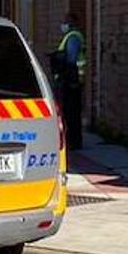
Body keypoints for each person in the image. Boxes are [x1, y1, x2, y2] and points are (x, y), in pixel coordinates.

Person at [51, 14, 86, 151]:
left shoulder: (73, 37)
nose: (63, 24)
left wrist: (59, 63)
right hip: (72, 79)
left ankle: (72, 142)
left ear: (71, 23)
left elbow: (70, 60)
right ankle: (72, 141)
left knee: (71, 112)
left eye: (65, 22)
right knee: (71, 112)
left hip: (71, 81)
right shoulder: (72, 37)